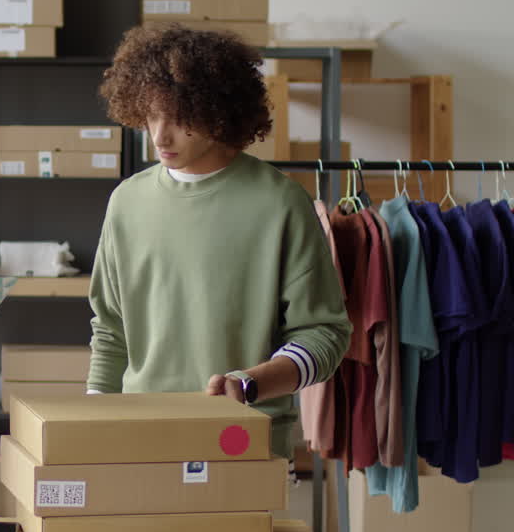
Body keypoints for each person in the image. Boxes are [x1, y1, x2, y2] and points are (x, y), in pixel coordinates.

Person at [88, 25, 352, 458]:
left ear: (218, 112)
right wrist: (95, 416)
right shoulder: (127, 202)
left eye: (180, 118)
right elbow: (111, 328)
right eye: (152, 115)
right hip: (139, 437)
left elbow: (325, 333)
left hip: (244, 440)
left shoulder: (280, 203)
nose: (160, 136)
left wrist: (250, 384)